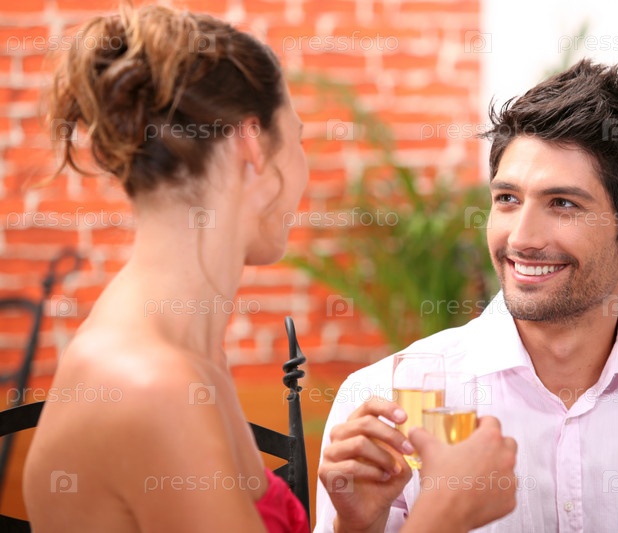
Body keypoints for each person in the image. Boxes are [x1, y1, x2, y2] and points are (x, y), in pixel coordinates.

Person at [22, 4, 517, 533]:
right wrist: (443, 513)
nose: (302, 168)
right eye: (296, 138)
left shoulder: (189, 353)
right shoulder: (153, 385)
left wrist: (356, 524)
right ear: (252, 144)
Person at [315, 60, 618, 532]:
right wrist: (358, 529)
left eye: (562, 204)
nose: (521, 238)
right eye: (507, 199)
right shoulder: (383, 400)